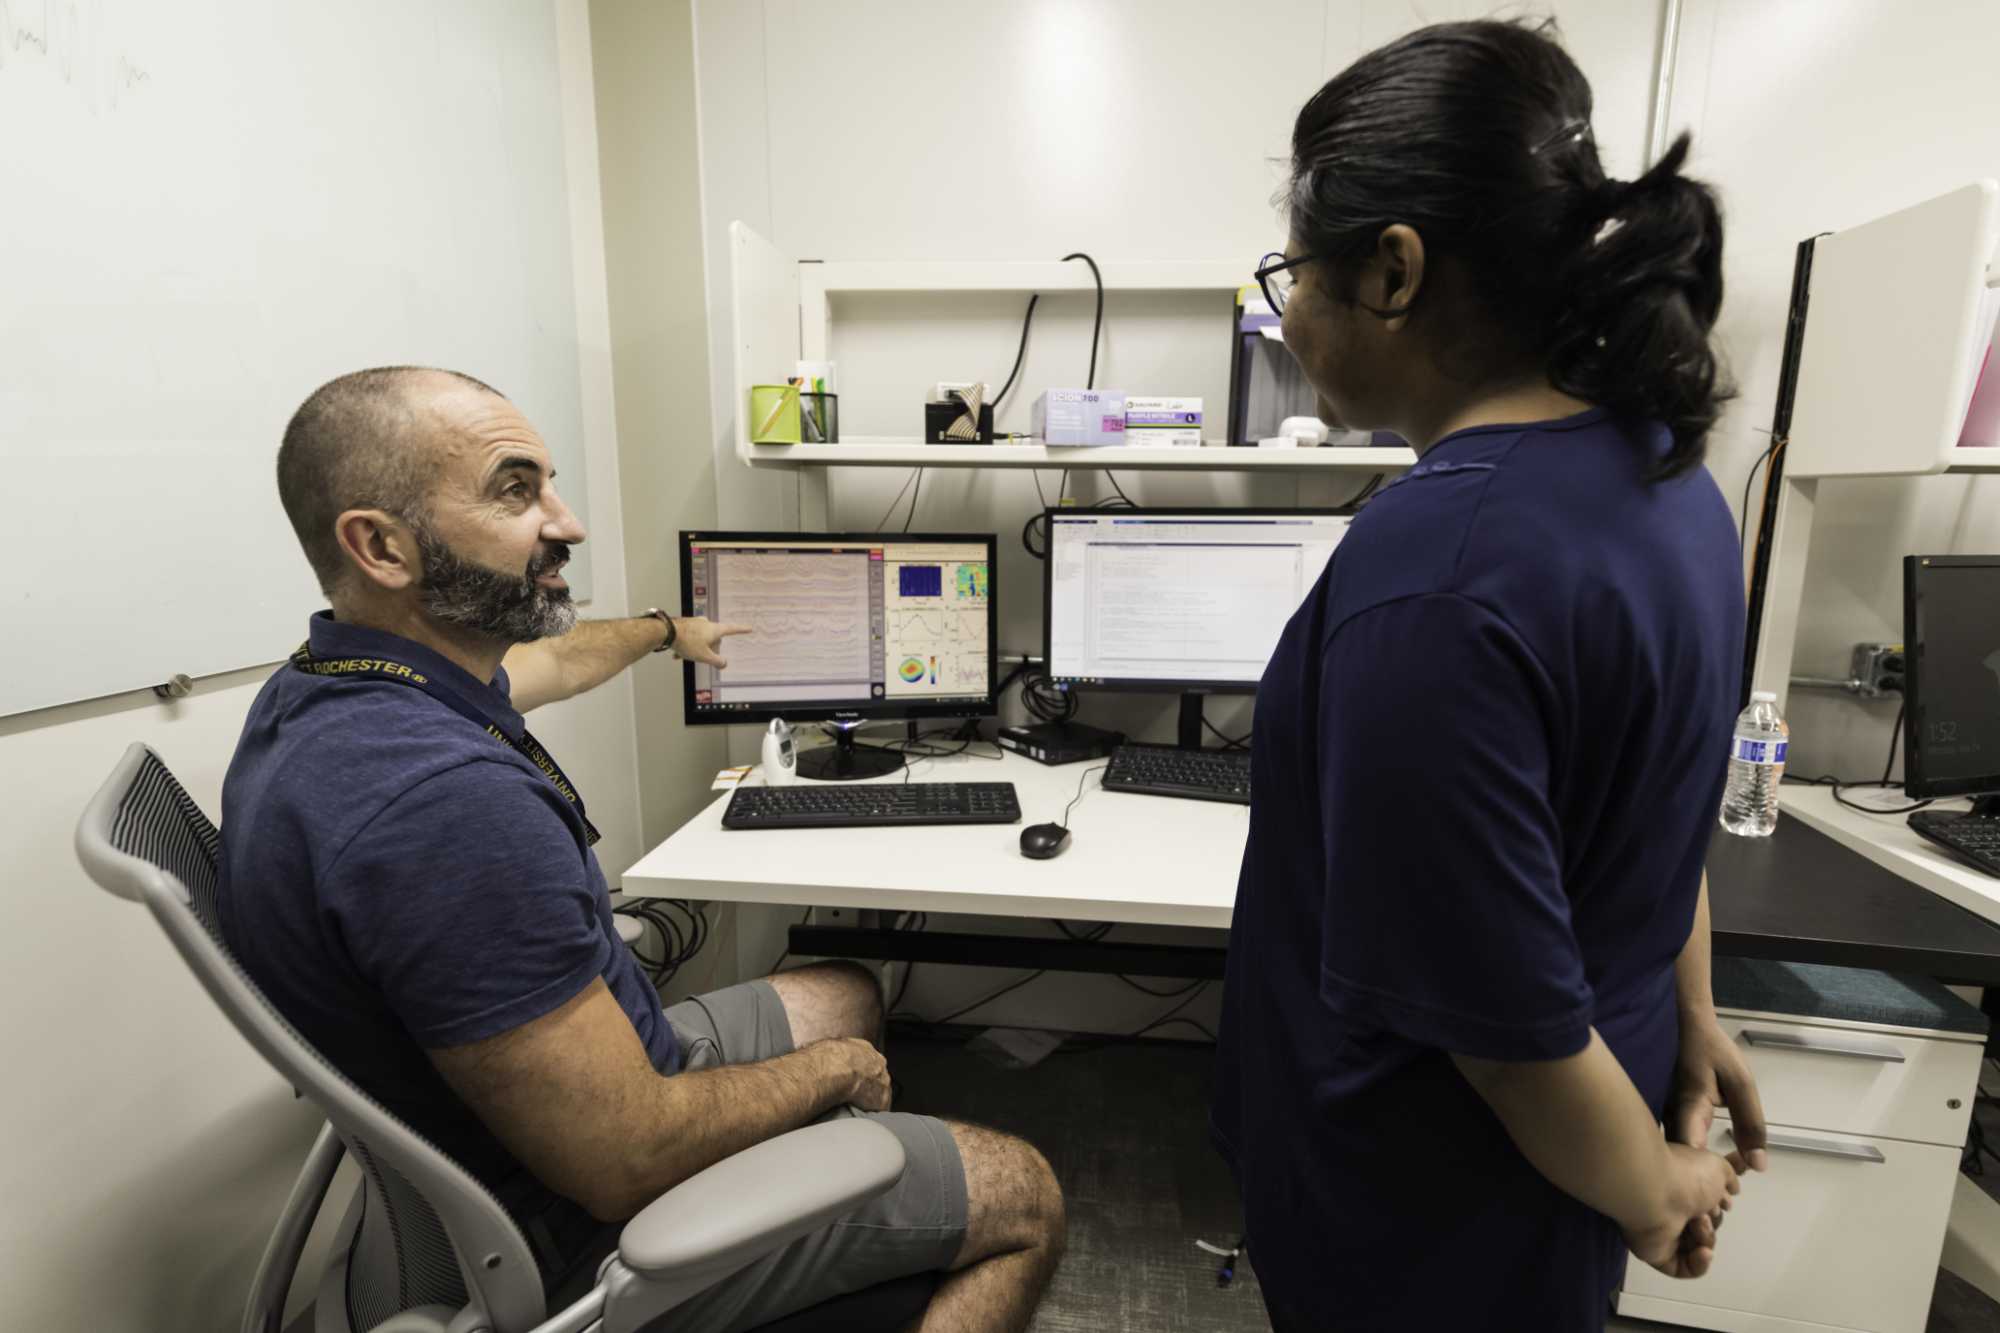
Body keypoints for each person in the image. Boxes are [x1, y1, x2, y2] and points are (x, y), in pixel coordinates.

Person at [219, 366, 1063, 1332]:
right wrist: (833, 1077)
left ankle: (844, 1194)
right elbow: (625, 1159)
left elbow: (552, 661)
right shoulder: (444, 807)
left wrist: (668, 631)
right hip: (588, 1219)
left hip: (584, 1092)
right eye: (514, 489)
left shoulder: (338, 687)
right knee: (1024, 1187)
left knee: (852, 994)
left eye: (549, 482)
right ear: (382, 545)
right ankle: (838, 1219)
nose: (566, 521)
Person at [1211, 20, 1768, 1332]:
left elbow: (1504, 1033)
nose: (1285, 312)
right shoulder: (1667, 475)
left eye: (1293, 268)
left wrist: (1659, 1189)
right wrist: (1689, 1015)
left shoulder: (1434, 577)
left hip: (1429, 1210)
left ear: (1393, 271)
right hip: (1576, 1138)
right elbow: (1653, 808)